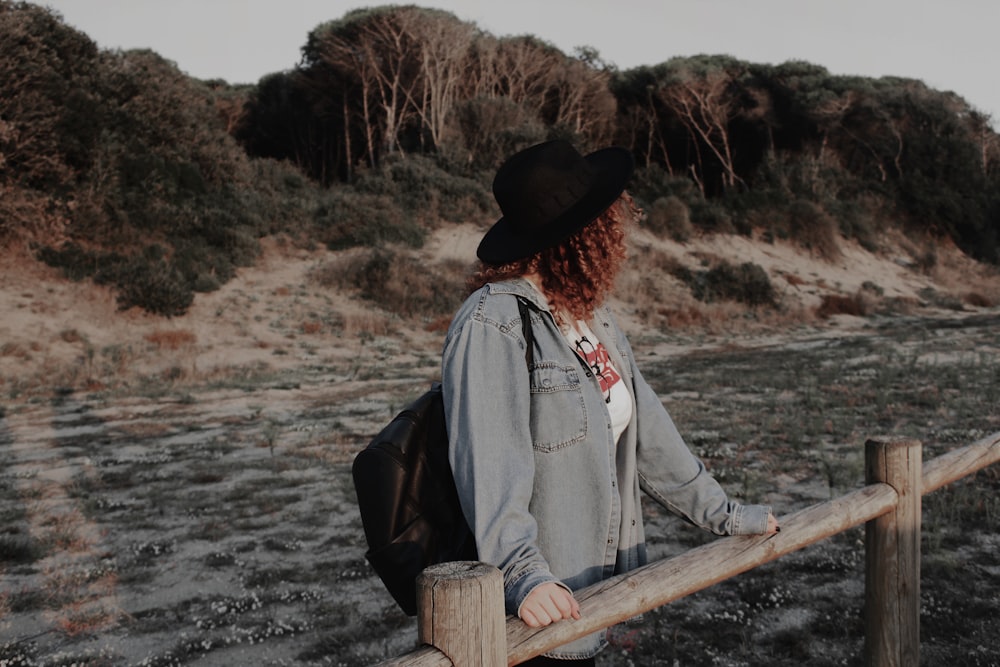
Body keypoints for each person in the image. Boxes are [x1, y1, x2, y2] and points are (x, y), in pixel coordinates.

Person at [441, 140, 779, 665]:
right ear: (582, 237)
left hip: (588, 590)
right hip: (535, 608)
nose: (616, 229)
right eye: (605, 220)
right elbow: (489, 464)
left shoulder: (590, 316)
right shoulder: (494, 322)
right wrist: (522, 575)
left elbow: (650, 432)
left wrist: (725, 514)